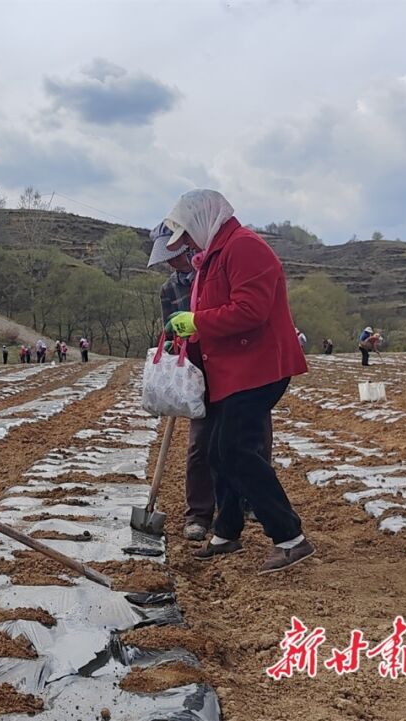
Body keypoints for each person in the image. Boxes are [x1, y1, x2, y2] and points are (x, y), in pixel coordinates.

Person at [162, 189, 314, 574]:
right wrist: (188, 335)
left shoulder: (245, 248)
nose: (187, 245)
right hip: (231, 370)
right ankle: (226, 532)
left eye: (187, 236)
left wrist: (198, 321)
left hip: (259, 368)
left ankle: (290, 537)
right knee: (218, 450)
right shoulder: (213, 256)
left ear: (202, 222)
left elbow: (251, 310)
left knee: (235, 450)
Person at [148, 222, 212, 541]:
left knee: (242, 440)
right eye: (166, 258)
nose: (170, 262)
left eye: (173, 255)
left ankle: (242, 504)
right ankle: (198, 514)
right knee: (199, 443)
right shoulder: (169, 290)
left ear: (188, 247)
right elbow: (169, 335)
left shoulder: (212, 274)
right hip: (195, 371)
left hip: (226, 366)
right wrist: (175, 348)